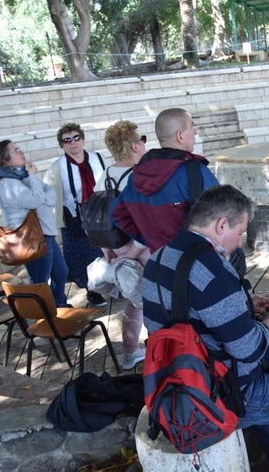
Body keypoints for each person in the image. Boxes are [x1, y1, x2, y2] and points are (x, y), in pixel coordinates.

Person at [142, 184, 269, 472]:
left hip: (173, 383)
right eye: (241, 231)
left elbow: (187, 311)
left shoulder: (158, 259)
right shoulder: (213, 267)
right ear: (222, 225)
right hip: (219, 395)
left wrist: (245, 304)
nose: (240, 240)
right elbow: (247, 350)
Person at [86, 120, 150, 370]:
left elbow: (98, 219)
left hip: (116, 247)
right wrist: (132, 255)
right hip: (140, 250)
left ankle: (130, 352)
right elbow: (145, 223)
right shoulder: (139, 177)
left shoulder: (105, 176)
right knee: (155, 301)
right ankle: (162, 349)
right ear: (135, 145)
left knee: (134, 305)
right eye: (142, 139)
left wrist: (111, 254)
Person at [112, 108, 219, 253]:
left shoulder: (136, 175)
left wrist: (149, 240)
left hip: (161, 262)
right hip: (197, 260)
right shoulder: (195, 171)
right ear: (180, 136)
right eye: (192, 126)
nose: (195, 132)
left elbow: (117, 214)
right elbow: (222, 216)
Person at [0, 140, 69, 307]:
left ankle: (59, 306)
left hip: (45, 234)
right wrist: (34, 179)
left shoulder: (21, 176)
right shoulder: (8, 183)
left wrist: (40, 194)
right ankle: (45, 315)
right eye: (16, 150)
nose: (21, 151)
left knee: (61, 273)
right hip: (31, 238)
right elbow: (36, 199)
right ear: (5, 160)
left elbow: (50, 194)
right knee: (40, 281)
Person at [44, 123, 107, 307]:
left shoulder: (97, 158)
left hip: (98, 212)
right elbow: (51, 193)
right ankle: (92, 291)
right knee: (82, 256)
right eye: (67, 140)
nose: (73, 143)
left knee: (103, 251)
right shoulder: (57, 167)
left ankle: (107, 284)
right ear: (62, 145)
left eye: (76, 138)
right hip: (74, 217)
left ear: (83, 139)